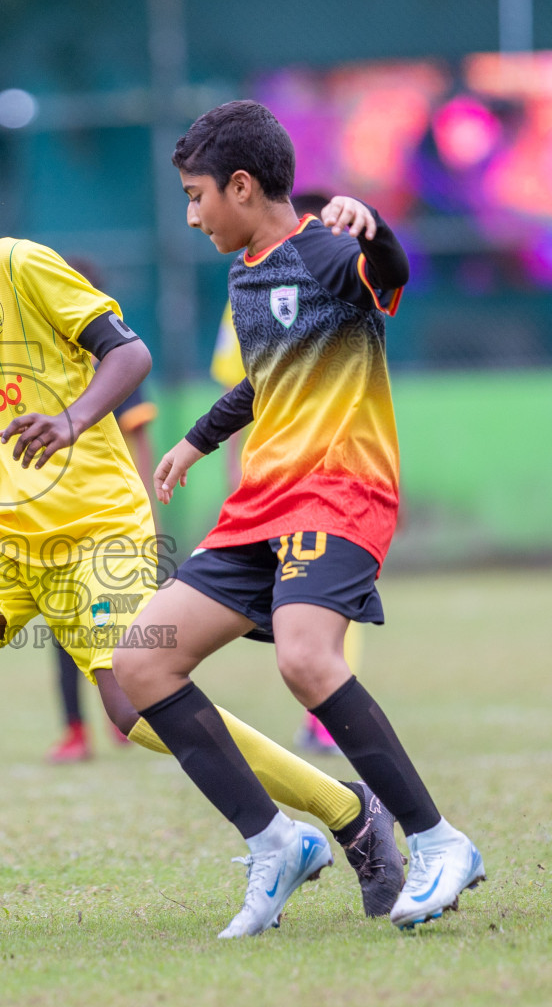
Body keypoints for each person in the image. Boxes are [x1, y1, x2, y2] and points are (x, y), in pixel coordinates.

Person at [0, 132, 403, 942]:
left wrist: (70, 418)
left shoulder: (19, 266)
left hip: (94, 527)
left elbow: (128, 355)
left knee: (136, 711)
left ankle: (346, 811)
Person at [114, 100, 485, 937]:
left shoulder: (326, 249)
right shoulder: (247, 270)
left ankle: (436, 840)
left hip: (339, 489)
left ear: (241, 186)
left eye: (195, 193)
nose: (190, 212)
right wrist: (195, 442)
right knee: (140, 666)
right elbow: (264, 379)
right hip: (261, 504)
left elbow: (388, 273)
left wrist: (373, 223)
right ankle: (275, 842)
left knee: (305, 659)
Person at [209, 192, 351, 758]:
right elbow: (240, 387)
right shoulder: (243, 287)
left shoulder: (341, 279)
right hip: (271, 480)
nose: (195, 216)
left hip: (332, 481)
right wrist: (228, 469)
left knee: (323, 599)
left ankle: (325, 718)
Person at [46, 258, 152, 763]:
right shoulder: (42, 361)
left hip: (109, 516)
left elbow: (139, 434)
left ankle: (124, 718)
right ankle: (75, 731)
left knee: (114, 626)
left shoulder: (113, 357)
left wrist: (147, 498)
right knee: (63, 631)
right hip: (51, 516)